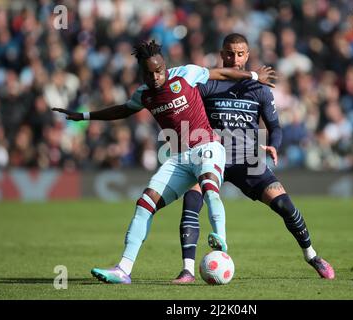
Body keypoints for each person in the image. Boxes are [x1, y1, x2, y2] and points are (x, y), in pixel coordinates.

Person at [52, 40, 276, 284]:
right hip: (179, 158)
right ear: (143, 73)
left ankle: (220, 240)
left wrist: (254, 75)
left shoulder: (186, 74)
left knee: (210, 188)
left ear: (165, 66)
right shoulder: (144, 95)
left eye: (159, 70)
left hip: (208, 147)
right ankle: (123, 269)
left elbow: (222, 72)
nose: (156, 76)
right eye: (150, 73)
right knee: (144, 204)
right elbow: (121, 110)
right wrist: (84, 116)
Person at [172, 34, 334, 284]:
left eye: (239, 54)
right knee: (191, 201)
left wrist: (274, 145)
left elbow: (275, 126)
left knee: (284, 205)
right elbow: (188, 117)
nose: (234, 59)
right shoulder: (205, 85)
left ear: (247, 56)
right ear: (221, 54)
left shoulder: (259, 88)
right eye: (229, 53)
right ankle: (187, 270)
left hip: (247, 159)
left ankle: (312, 256)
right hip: (211, 156)